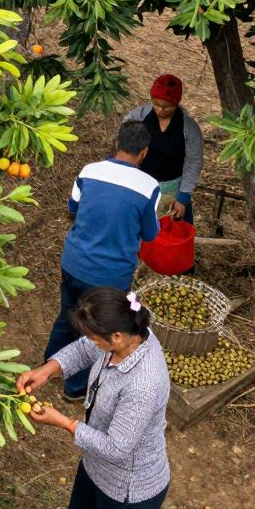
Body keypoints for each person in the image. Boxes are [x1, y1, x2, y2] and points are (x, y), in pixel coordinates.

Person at [17, 286, 171, 509]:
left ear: (117, 336)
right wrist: (50, 369)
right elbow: (87, 348)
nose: (93, 343)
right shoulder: (126, 335)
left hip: (129, 488)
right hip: (96, 467)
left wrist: (65, 423)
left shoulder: (144, 383)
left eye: (98, 338)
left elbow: (117, 448)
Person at [44, 119, 161, 399]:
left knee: (67, 315)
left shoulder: (89, 171)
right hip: (109, 276)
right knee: (97, 331)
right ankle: (75, 387)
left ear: (117, 143)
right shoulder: (149, 187)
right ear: (144, 152)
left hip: (73, 261)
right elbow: (150, 234)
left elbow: (73, 206)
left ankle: (50, 366)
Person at [124, 74, 202, 223]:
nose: (160, 110)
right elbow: (123, 148)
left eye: (167, 107)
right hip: (140, 182)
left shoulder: (189, 128)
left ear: (176, 103)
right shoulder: (137, 118)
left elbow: (193, 162)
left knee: (167, 232)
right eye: (156, 104)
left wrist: (183, 197)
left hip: (173, 188)